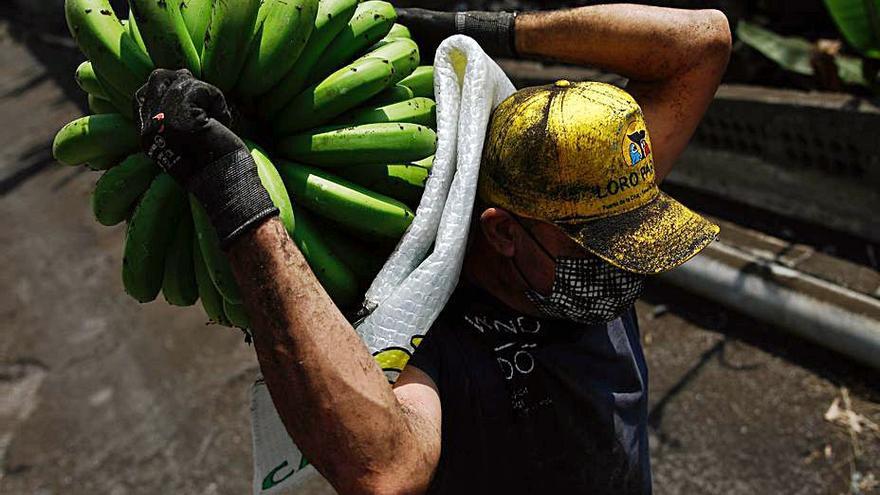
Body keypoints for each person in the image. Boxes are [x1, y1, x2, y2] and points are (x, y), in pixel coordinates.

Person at [134, 4, 731, 494]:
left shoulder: (593, 197)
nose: (625, 264)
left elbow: (702, 40)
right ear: (502, 231)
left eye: (632, 234)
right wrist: (234, 195)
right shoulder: (434, 335)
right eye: (598, 248)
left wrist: (471, 29)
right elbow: (386, 473)